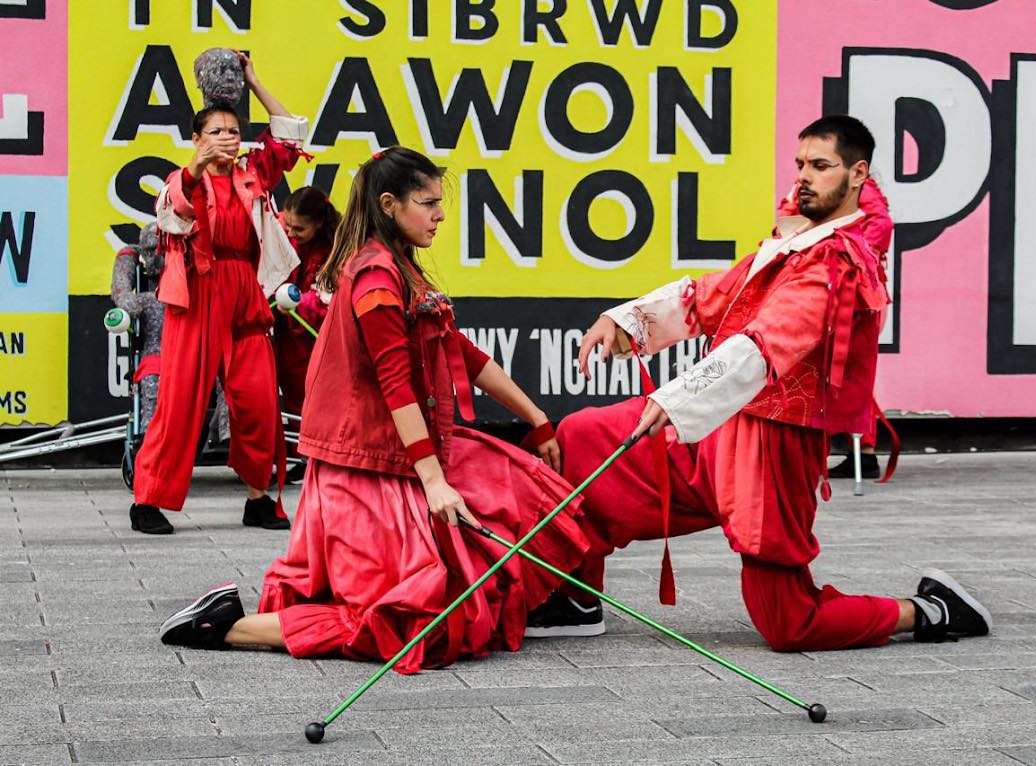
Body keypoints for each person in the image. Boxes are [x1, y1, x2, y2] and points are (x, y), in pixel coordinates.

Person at [530, 115, 992, 651]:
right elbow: (715, 295)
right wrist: (625, 320)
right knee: (582, 438)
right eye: (800, 164)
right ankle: (575, 596)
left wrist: (678, 399)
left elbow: (766, 343)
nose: (804, 177)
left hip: (772, 444)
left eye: (821, 166)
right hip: (720, 423)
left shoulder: (840, 262)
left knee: (788, 623)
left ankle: (932, 611)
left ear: (858, 174)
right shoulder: (794, 243)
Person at [157, 148, 588, 671]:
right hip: (362, 471)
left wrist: (537, 417)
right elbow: (395, 385)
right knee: (411, 627)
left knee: (515, 492)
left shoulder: (401, 267)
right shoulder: (376, 280)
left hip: (396, 457)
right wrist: (433, 481)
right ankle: (225, 627)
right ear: (389, 204)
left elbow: (464, 354)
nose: (440, 214)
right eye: (428, 203)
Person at [128, 51, 307, 535]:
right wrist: (195, 165)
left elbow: (290, 129)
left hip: (244, 293)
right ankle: (148, 499)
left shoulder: (254, 173)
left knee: (258, 401)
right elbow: (173, 213)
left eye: (233, 130)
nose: (228, 138)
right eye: (216, 131)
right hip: (198, 298)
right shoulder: (182, 179)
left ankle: (258, 497)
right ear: (196, 138)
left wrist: (254, 78)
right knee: (180, 401)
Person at [111, 223, 231, 444]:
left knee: (229, 370)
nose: (157, 257)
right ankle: (152, 438)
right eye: (150, 251)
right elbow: (124, 298)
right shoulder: (131, 257)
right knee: (152, 378)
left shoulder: (199, 260)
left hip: (197, 340)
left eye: (161, 251)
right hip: (157, 347)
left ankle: (227, 435)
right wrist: (150, 301)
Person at [274, 186, 340, 483]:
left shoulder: (337, 249)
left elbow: (332, 298)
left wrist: (299, 302)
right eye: (287, 225)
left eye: (299, 228)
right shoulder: (281, 234)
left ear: (319, 223)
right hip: (288, 337)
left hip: (318, 338)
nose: (291, 232)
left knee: (318, 398)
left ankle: (319, 456)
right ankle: (299, 454)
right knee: (291, 396)